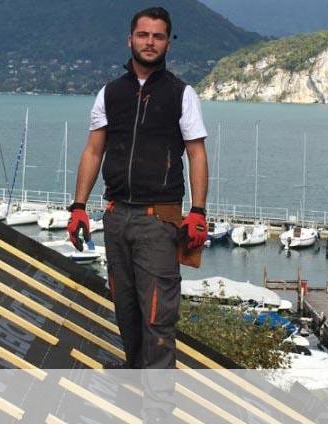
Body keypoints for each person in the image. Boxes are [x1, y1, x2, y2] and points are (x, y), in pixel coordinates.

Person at [68, 5, 208, 373]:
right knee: (126, 311)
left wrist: (198, 212)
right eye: (143, 35)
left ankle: (157, 401)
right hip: (115, 217)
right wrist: (78, 207)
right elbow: (93, 150)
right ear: (130, 39)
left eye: (158, 36)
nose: (150, 42)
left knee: (158, 319)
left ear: (168, 44)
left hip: (158, 221)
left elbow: (197, 154)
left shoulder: (182, 94)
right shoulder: (110, 93)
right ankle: (133, 386)